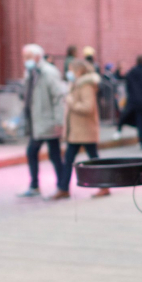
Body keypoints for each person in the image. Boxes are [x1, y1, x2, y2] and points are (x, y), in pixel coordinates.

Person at [52, 60, 111, 199]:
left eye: (71, 69)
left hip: (85, 130)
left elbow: (88, 107)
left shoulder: (86, 86)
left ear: (78, 71)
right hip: (78, 130)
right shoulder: (77, 84)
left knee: (92, 159)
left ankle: (102, 186)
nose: (69, 72)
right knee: (74, 159)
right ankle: (64, 188)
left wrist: (71, 101)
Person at [18, 44, 65, 198]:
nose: (24, 60)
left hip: (48, 121)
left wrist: (59, 121)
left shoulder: (48, 73)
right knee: (33, 152)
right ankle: (35, 185)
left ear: (37, 57)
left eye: (27, 57)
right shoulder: (30, 73)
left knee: (54, 154)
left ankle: (61, 186)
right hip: (36, 121)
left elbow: (58, 97)